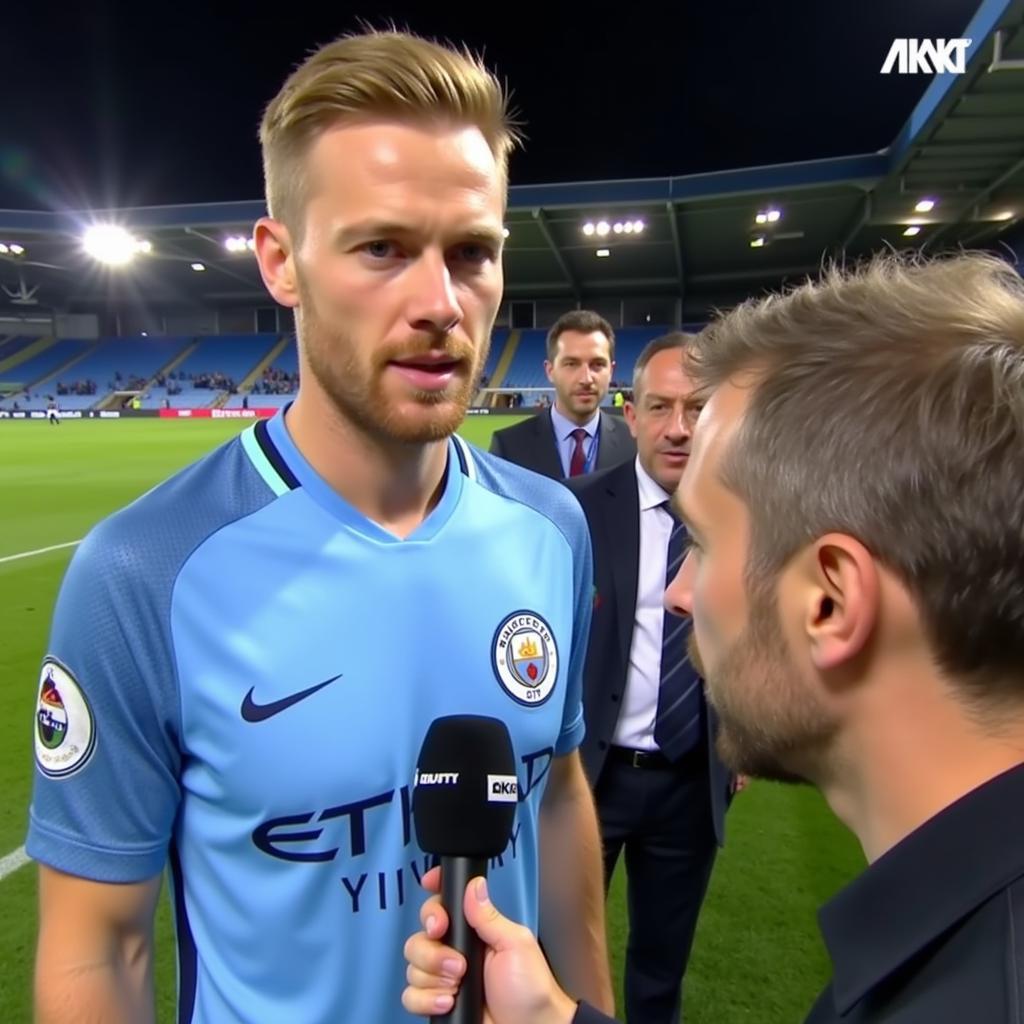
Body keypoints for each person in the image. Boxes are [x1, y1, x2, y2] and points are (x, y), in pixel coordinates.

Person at [28, 30, 613, 1024]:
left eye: (471, 252)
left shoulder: (551, 528)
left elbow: (556, 797)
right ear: (280, 260)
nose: (441, 303)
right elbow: (101, 943)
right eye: (382, 247)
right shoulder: (143, 571)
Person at [401, 252, 1024, 1024]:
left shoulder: (974, 994)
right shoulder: (961, 939)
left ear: (829, 600)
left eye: (704, 539)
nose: (678, 592)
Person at [566, 332, 734, 1023]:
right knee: (565, 958)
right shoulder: (575, 510)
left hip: (691, 784)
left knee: (660, 973)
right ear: (629, 414)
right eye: (661, 406)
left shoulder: (748, 516)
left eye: (697, 408)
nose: (678, 428)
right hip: (587, 779)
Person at [489, 310, 635, 479]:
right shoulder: (509, 446)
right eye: (571, 364)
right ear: (550, 371)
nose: (586, 379)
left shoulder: (635, 445)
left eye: (597, 364)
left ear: (611, 371)